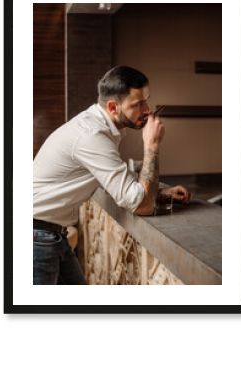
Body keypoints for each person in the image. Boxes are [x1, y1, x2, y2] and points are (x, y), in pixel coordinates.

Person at [33, 65, 191, 284]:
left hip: (49, 234)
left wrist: (160, 193)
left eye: (146, 100)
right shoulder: (92, 135)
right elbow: (141, 206)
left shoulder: (101, 127)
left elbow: (113, 181)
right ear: (113, 107)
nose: (147, 109)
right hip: (35, 236)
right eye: (138, 104)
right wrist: (152, 145)